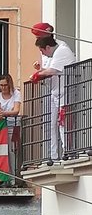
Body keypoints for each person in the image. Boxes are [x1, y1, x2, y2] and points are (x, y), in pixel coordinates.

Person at [33, 28, 76, 159]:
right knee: (53, 124)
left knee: (64, 123)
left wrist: (37, 75)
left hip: (65, 94)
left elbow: (52, 71)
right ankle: (54, 155)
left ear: (47, 47)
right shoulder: (54, 54)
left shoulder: (62, 50)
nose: (42, 54)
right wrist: (40, 71)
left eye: (42, 51)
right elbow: (49, 70)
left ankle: (67, 151)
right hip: (56, 93)